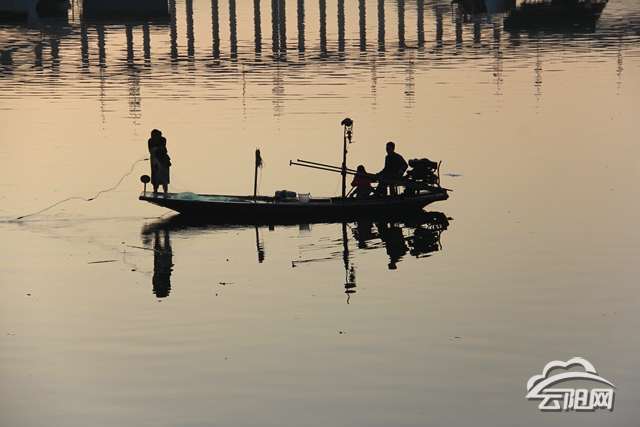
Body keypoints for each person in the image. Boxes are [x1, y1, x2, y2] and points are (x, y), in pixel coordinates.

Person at [148, 129, 171, 195]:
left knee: (164, 176)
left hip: (163, 159)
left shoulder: (163, 139)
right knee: (155, 175)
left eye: (154, 136)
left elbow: (163, 147)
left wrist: (157, 148)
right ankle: (155, 190)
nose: (152, 137)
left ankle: (165, 191)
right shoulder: (150, 141)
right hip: (155, 159)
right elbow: (151, 150)